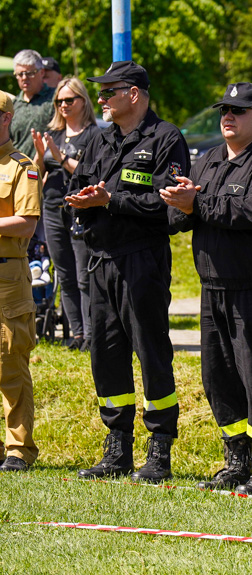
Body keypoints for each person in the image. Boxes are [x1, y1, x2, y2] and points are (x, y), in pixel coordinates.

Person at [162, 82, 252, 496]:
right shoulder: (208, 160)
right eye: (225, 109)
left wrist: (196, 205)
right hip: (214, 287)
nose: (228, 116)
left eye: (239, 111)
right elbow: (183, 216)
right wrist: (176, 204)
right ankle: (236, 459)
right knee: (217, 378)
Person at [69, 61, 190, 483]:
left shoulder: (165, 138)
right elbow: (82, 186)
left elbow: (167, 203)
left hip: (142, 260)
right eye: (99, 93)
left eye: (108, 92)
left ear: (133, 94)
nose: (99, 100)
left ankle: (159, 452)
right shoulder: (101, 141)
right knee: (105, 355)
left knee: (152, 353)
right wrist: (83, 198)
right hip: (100, 259)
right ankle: (117, 447)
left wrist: (110, 201)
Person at [30, 77, 100, 352]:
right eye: (59, 101)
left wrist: (59, 157)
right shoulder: (53, 134)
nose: (63, 105)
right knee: (64, 275)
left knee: (84, 276)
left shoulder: (94, 134)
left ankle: (93, 335)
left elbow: (90, 173)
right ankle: (77, 334)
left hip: (80, 210)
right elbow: (38, 175)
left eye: (69, 100)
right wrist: (39, 156)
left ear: (83, 101)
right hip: (52, 208)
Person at [0, 92, 42, 472]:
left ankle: (19, 448)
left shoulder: (21, 166)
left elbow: (27, 223)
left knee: (10, 362)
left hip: (6, 275)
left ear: (5, 119)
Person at [9, 49, 55, 158]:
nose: (24, 78)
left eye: (30, 73)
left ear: (42, 72)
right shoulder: (12, 105)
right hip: (17, 169)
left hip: (47, 170)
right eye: (20, 74)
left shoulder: (56, 99)